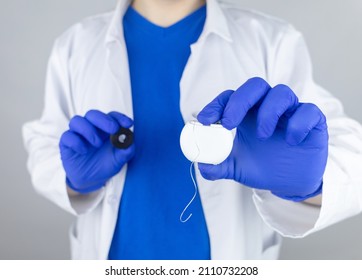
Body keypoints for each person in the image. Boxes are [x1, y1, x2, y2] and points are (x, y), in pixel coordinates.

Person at [22, 0, 362, 260]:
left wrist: (311, 183)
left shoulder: (273, 41)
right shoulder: (75, 45)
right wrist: (74, 182)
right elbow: (44, 144)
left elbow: (352, 158)